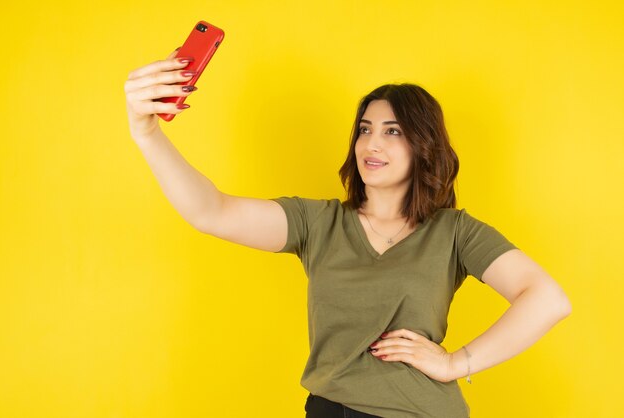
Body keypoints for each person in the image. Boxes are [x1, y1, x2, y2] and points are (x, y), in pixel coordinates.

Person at [124, 48, 572, 418]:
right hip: (329, 409)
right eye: (365, 130)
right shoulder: (318, 224)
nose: (371, 144)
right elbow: (212, 211)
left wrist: (458, 362)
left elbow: (548, 299)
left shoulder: (454, 232)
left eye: (392, 131)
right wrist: (147, 134)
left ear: (423, 147)